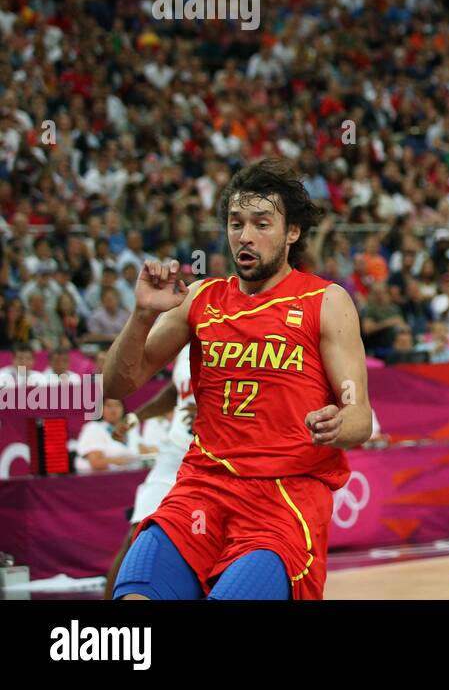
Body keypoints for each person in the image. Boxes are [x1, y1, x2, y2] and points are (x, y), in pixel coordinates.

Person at [103, 158, 373, 600]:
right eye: (236, 223)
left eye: (262, 224)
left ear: (292, 233)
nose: (245, 236)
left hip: (283, 500)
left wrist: (340, 423)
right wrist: (141, 315)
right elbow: (117, 385)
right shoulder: (199, 298)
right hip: (201, 489)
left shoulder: (325, 301)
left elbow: (360, 415)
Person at [103, 346, 195, 598]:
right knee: (136, 532)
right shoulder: (185, 343)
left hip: (213, 458)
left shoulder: (236, 334)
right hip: (175, 454)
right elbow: (176, 391)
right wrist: (136, 417)